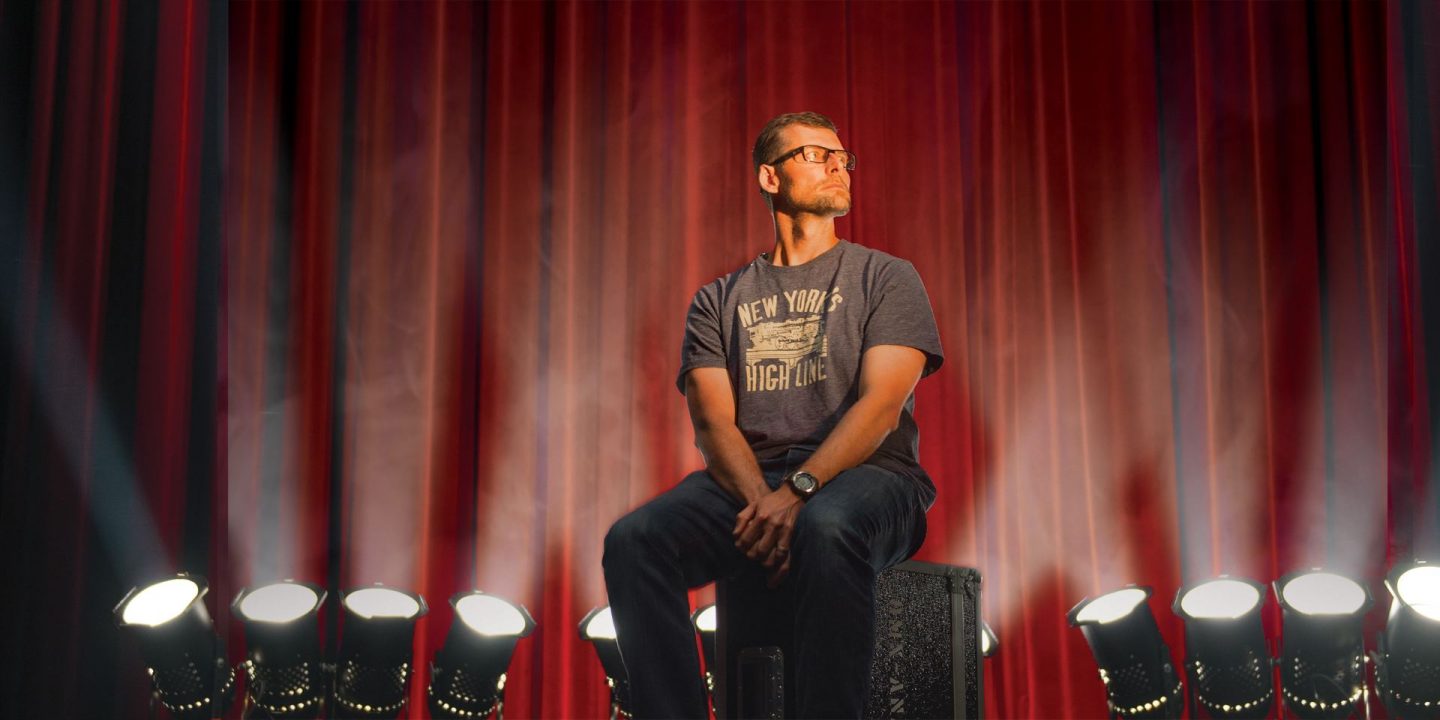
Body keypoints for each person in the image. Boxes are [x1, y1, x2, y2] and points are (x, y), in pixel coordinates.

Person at [602, 111, 944, 719]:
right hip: (750, 484)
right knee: (634, 541)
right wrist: (767, 502)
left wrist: (799, 493)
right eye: (818, 155)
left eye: (844, 157)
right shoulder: (718, 299)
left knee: (827, 525)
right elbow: (713, 424)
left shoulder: (886, 277)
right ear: (769, 177)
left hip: (870, 478)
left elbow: (882, 408)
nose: (839, 165)